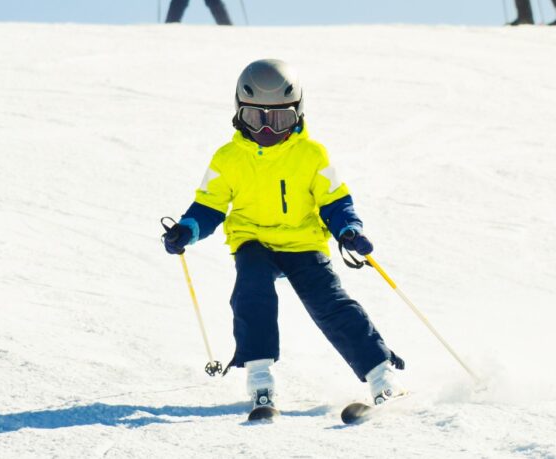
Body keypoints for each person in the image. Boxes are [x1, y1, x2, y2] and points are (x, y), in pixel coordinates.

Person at [161, 59, 405, 417]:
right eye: (255, 118)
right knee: (251, 290)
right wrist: (187, 229)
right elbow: (209, 206)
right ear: (239, 113)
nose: (267, 130)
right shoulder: (228, 158)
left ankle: (381, 375)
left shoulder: (311, 154)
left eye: (279, 119)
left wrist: (348, 230)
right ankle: (260, 378)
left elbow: (334, 200)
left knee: (330, 303)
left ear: (298, 113)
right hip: (253, 240)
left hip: (303, 242)